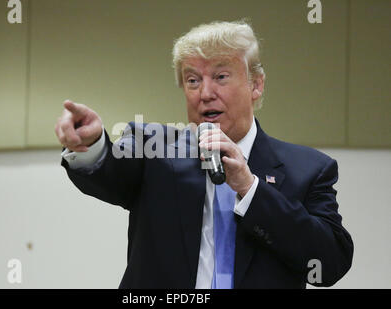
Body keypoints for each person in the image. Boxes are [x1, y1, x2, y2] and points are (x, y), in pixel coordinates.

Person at [55, 20, 353, 289]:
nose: (205, 93)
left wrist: (250, 190)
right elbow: (111, 171)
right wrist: (91, 144)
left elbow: (328, 264)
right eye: (193, 80)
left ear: (256, 85)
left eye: (221, 76)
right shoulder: (153, 147)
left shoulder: (309, 169)